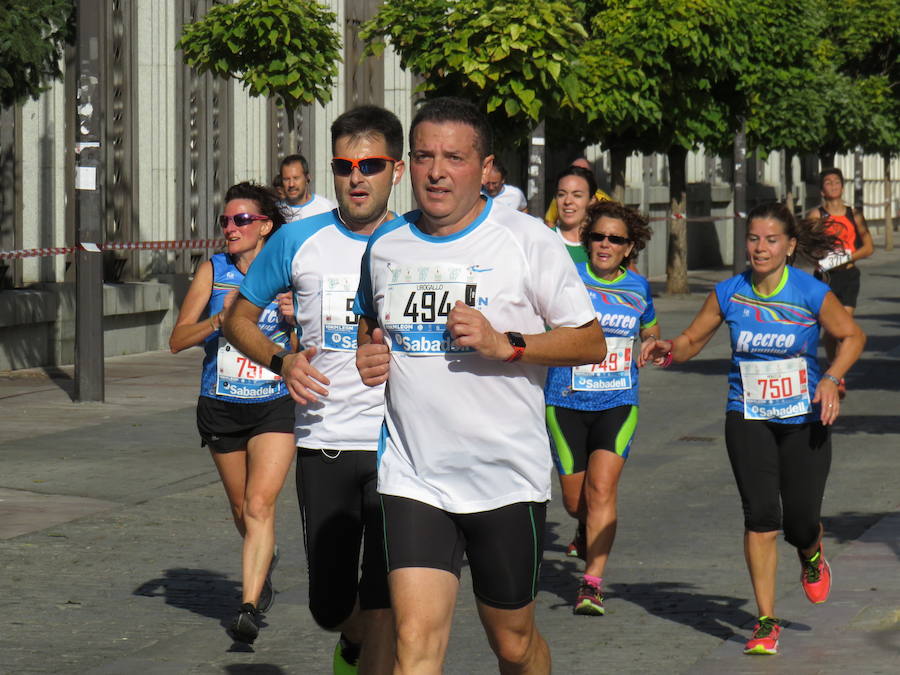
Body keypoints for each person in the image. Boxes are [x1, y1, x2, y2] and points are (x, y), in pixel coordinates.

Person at [354, 97, 605, 674]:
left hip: (504, 476)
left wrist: (507, 344)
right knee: (414, 643)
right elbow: (373, 321)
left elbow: (588, 342)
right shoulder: (386, 246)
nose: (436, 171)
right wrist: (372, 352)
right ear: (405, 166)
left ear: (485, 167)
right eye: (423, 157)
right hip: (414, 474)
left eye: (454, 158)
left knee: (512, 643)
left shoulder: (525, 239)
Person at [223, 105, 405, 674]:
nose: (357, 177)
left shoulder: (421, 241)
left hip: (399, 442)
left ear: (395, 170)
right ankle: (347, 641)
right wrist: (284, 360)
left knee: (383, 600)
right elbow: (237, 320)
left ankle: (370, 650)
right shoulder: (297, 240)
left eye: (370, 164)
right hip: (323, 439)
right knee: (330, 605)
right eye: (345, 165)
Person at [643, 202, 865, 656]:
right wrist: (668, 348)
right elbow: (691, 340)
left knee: (800, 521)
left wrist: (830, 378)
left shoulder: (809, 291)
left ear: (789, 246)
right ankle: (766, 620)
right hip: (747, 416)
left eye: (770, 240)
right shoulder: (730, 293)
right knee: (762, 518)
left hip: (804, 418)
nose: (760, 248)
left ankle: (811, 551)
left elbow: (852, 336)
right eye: (753, 239)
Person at [168, 182, 296, 644]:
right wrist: (220, 321)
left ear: (265, 225)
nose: (230, 228)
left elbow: (305, 346)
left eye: (241, 220)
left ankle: (247, 605)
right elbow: (177, 339)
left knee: (260, 504)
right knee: (243, 509)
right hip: (221, 404)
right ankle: (265, 555)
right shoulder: (213, 270)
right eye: (225, 220)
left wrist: (294, 317)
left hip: (274, 403)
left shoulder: (287, 271)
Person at [544, 201, 658, 616]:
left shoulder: (639, 287)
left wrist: (650, 342)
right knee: (577, 501)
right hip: (566, 399)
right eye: (598, 237)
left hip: (618, 400)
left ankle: (591, 583)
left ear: (629, 248)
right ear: (587, 239)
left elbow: (650, 325)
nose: (605, 245)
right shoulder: (567, 279)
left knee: (604, 489)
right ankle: (582, 523)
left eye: (616, 239)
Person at [806, 168, 874, 398]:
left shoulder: (853, 214)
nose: (833, 186)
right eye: (828, 182)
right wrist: (820, 256)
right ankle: (835, 370)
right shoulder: (816, 216)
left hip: (847, 275)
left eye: (837, 182)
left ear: (842, 186)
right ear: (821, 188)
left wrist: (845, 257)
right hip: (826, 277)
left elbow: (868, 247)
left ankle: (837, 372)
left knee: (844, 327)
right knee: (831, 329)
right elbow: (807, 245)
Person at [543, 158, 612, 227]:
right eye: (573, 170)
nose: (567, 201)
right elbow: (549, 222)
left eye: (577, 195)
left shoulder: (605, 200)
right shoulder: (559, 198)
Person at [551, 165, 600, 264]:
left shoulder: (603, 243)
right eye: (561, 194)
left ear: (592, 200)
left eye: (577, 195)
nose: (568, 201)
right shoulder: (544, 239)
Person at [279, 154, 337, 222]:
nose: (291, 184)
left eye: (296, 178)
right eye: (286, 179)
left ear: (307, 178)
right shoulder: (276, 212)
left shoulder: (327, 209)